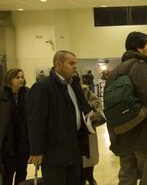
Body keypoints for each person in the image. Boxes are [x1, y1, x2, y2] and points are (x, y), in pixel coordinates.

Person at [105, 31, 147, 185]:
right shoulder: (140, 65)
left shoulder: (115, 71)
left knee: (127, 176)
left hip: (121, 132)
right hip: (143, 133)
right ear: (139, 48)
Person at [26, 51, 93, 185]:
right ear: (58, 64)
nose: (75, 67)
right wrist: (36, 150)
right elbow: (36, 120)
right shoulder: (43, 87)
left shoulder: (73, 84)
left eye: (75, 64)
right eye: (71, 63)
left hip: (74, 148)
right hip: (54, 152)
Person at [0, 69, 30, 185]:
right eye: (17, 77)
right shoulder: (2, 95)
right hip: (8, 142)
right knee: (8, 172)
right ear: (10, 79)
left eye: (22, 77)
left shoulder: (28, 93)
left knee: (22, 172)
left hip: (23, 141)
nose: (21, 80)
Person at [80, 79, 102, 185]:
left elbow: (97, 101)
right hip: (75, 129)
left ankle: (90, 176)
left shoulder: (85, 89)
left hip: (89, 127)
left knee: (90, 156)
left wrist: (89, 107)